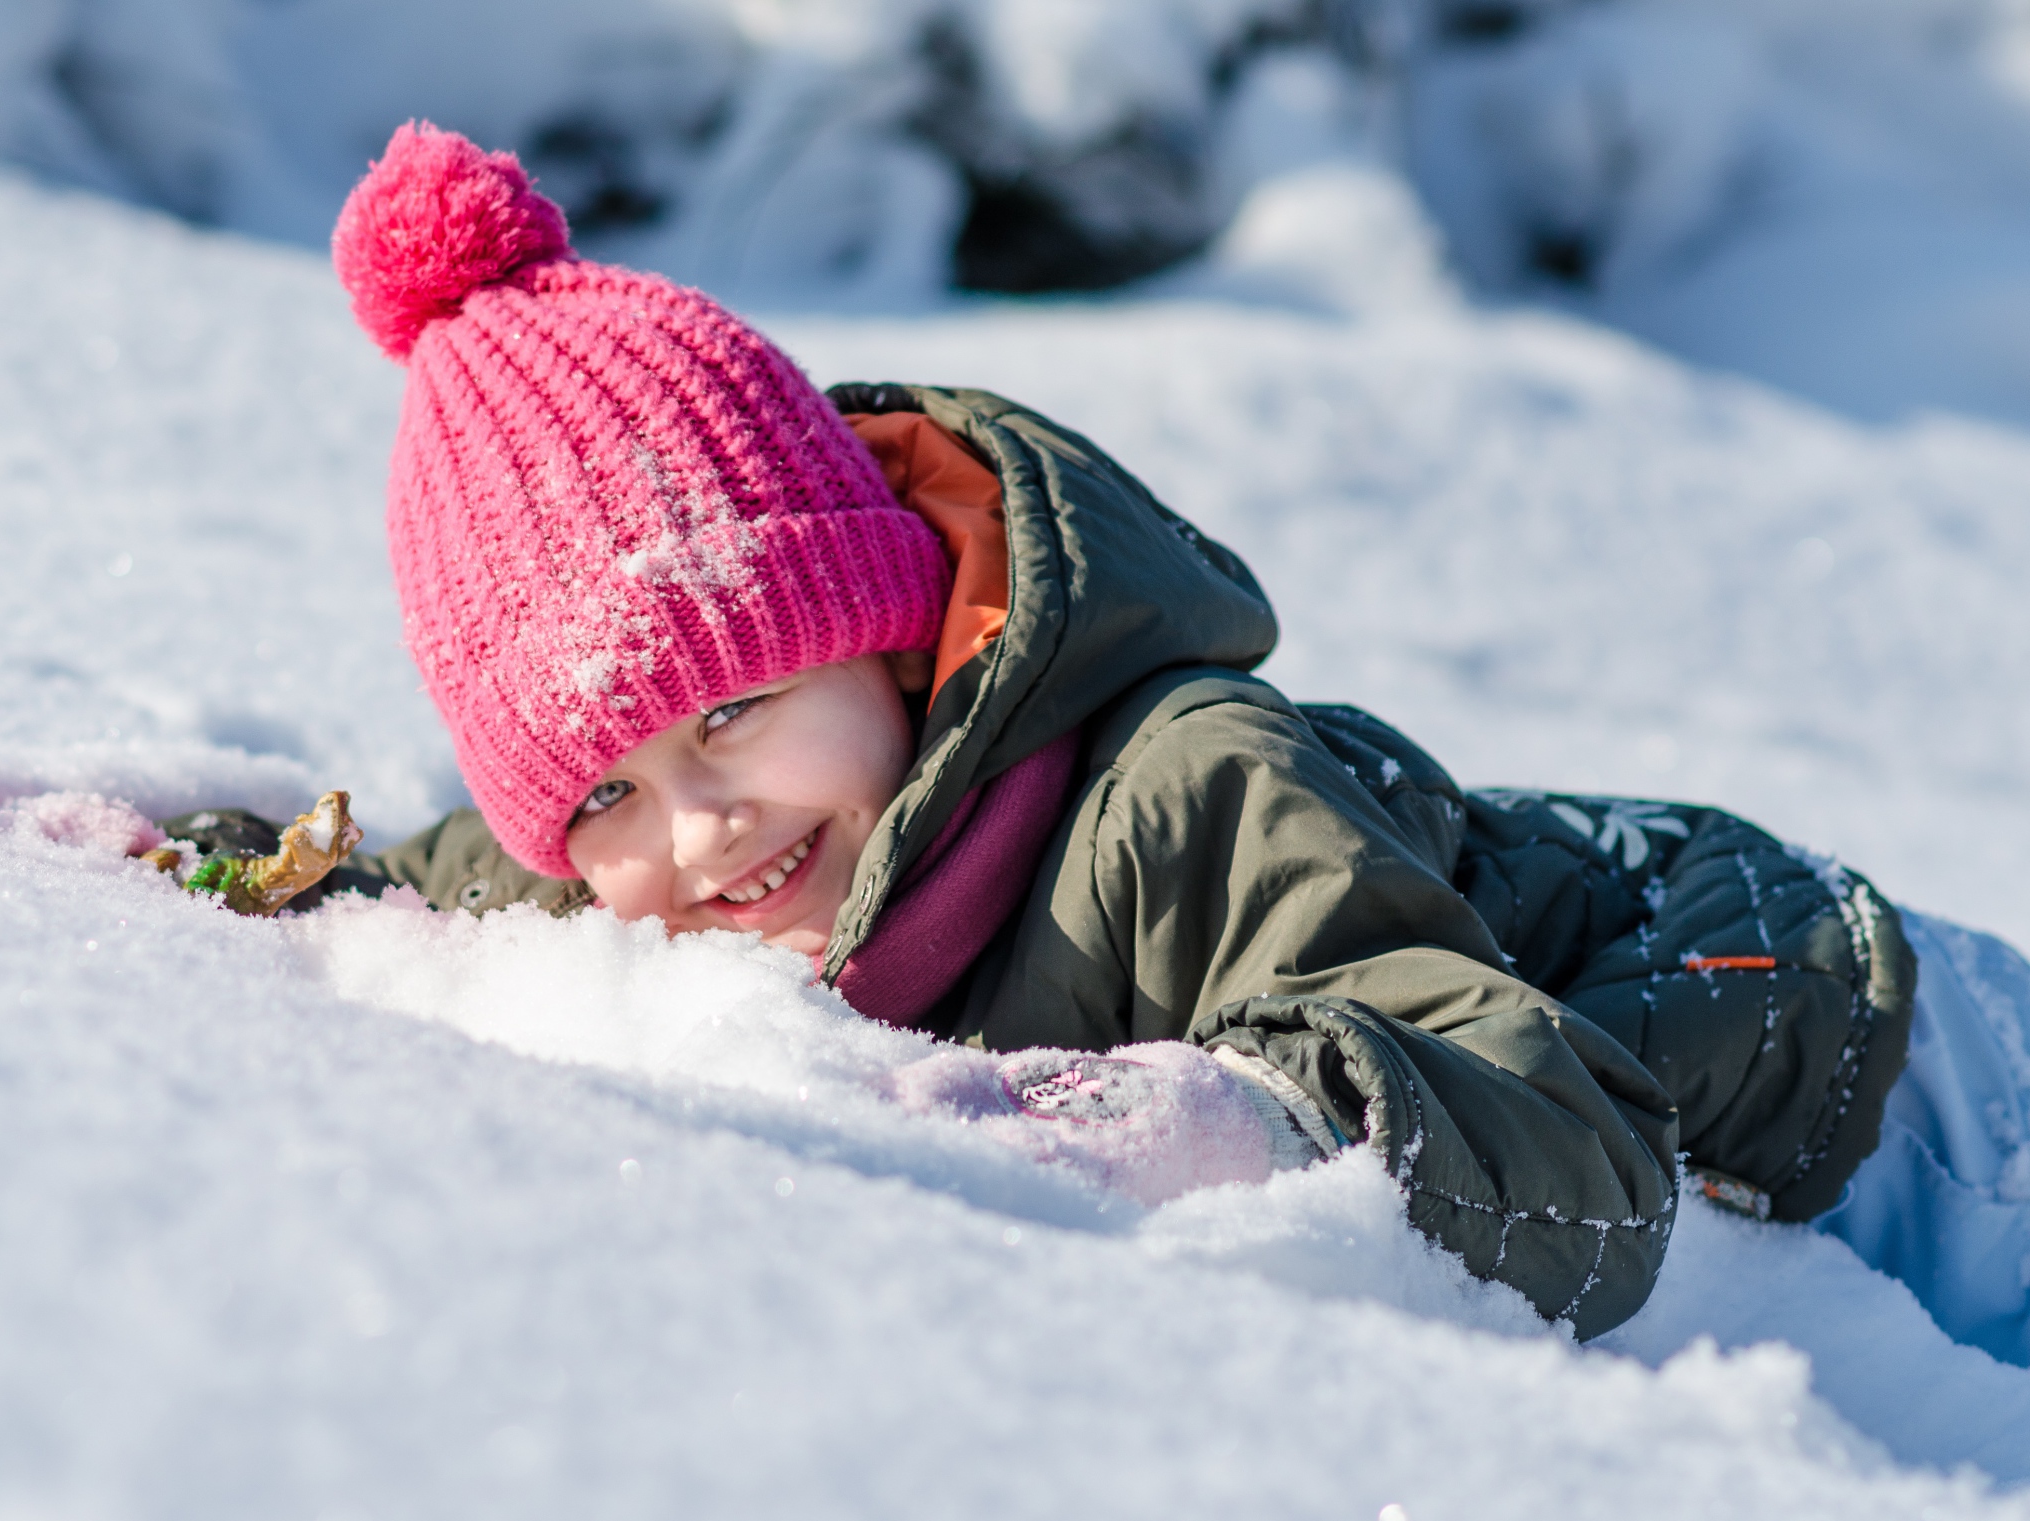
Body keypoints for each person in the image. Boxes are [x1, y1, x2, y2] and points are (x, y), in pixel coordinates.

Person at [161, 122, 2030, 1357]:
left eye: (736, 708)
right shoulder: (652, 866)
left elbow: (1565, 1150)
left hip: (1873, 1075)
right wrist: (244, 870)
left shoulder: (1185, 789)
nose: (699, 824)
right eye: (609, 790)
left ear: (894, 646)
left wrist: (1232, 1118)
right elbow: (455, 873)